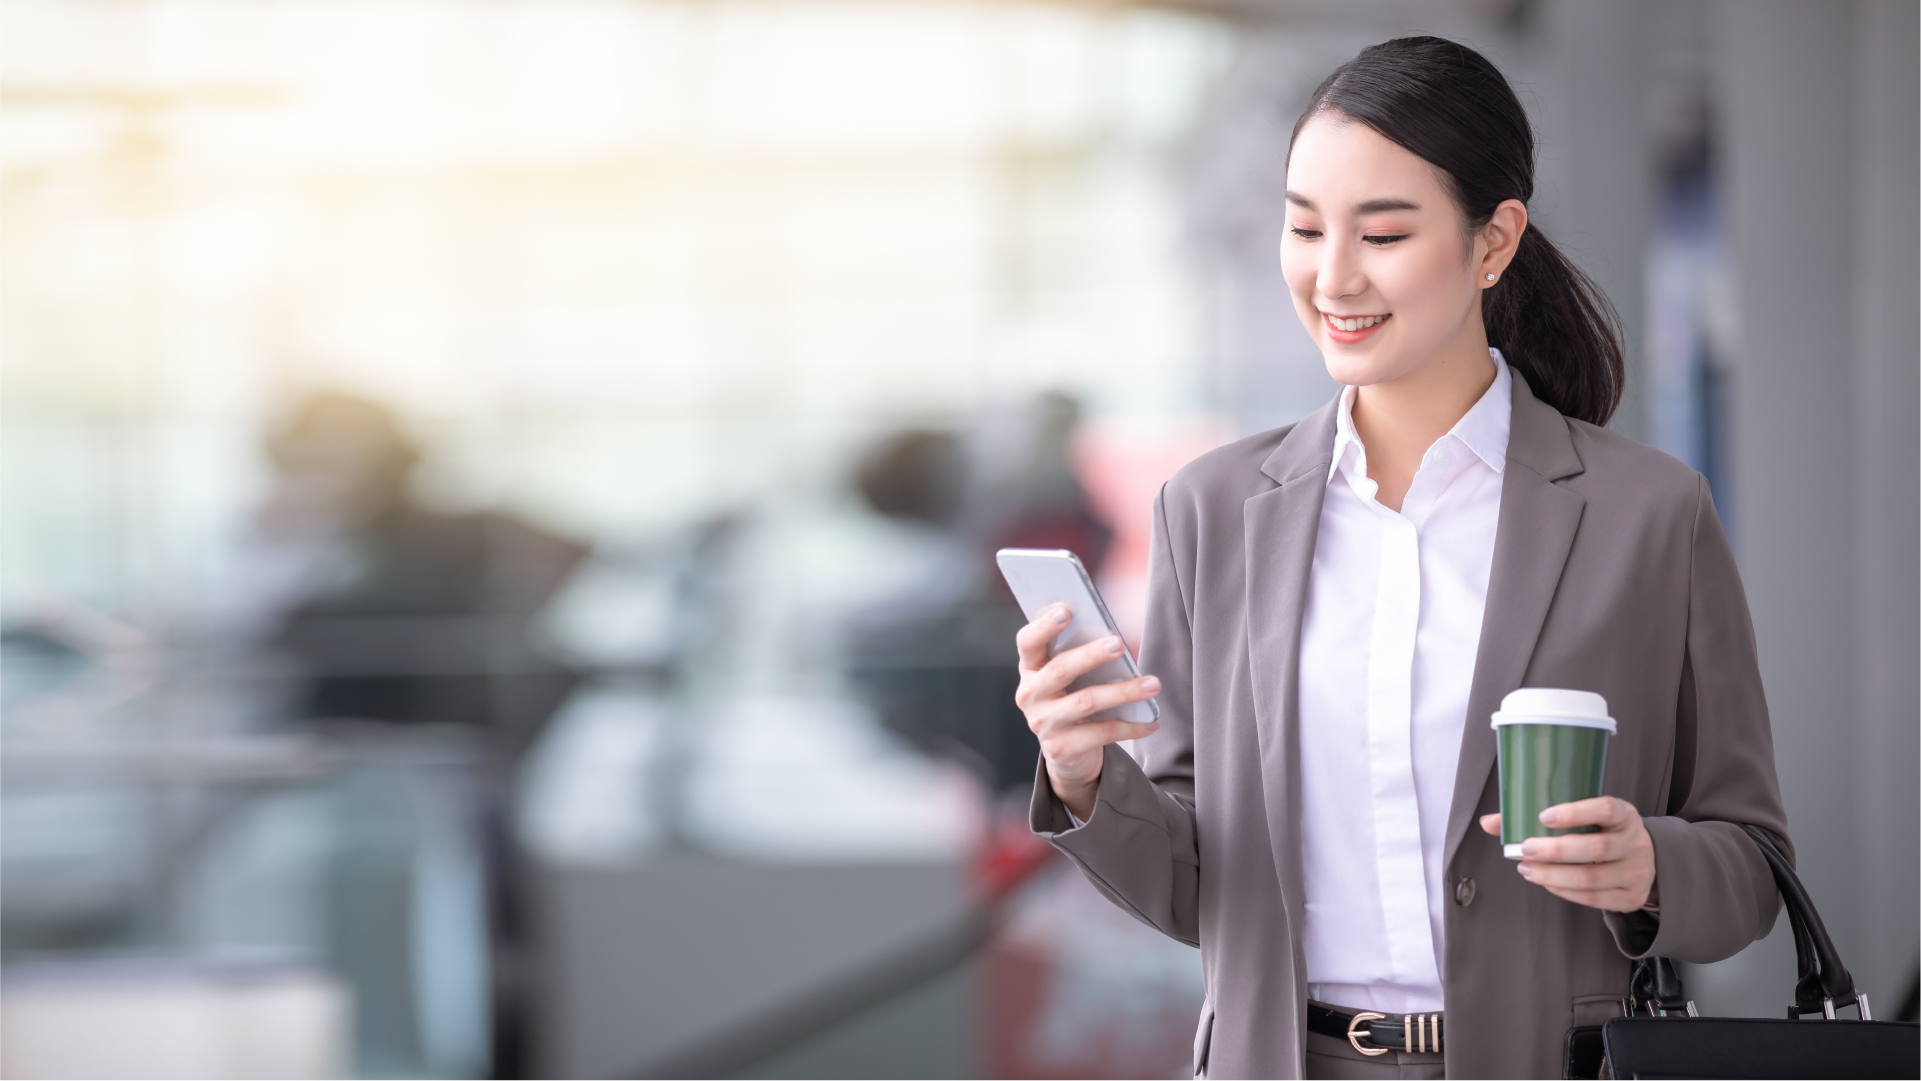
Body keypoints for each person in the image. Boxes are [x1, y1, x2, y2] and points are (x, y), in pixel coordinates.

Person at [1012, 37, 1788, 1081]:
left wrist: (1649, 866)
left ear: (1493, 240)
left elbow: (1751, 863)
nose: (1332, 276)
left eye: (1381, 232)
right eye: (1303, 227)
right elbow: (1191, 885)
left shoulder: (1646, 513)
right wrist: (1082, 773)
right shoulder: (1214, 510)